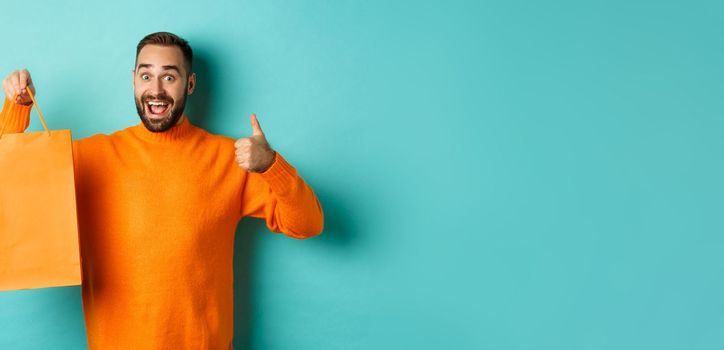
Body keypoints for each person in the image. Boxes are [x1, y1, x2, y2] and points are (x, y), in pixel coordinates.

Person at [0, 31, 324, 350]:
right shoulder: (93, 156)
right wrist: (17, 108)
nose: (155, 90)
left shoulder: (232, 159)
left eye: (169, 77)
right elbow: (9, 180)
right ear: (133, 80)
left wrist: (270, 165)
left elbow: (308, 224)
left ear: (190, 84)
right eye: (146, 76)